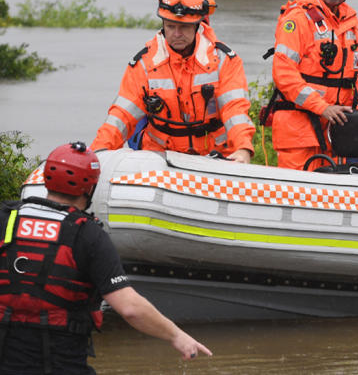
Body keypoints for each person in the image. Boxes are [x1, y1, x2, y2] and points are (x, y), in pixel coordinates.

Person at [0, 142, 211, 373]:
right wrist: (177, 336)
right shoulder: (87, 235)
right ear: (89, 188)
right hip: (59, 364)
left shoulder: (6, 219)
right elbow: (130, 307)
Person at [91, 0, 254, 162]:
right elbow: (121, 115)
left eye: (183, 27)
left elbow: (234, 109)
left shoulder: (223, 60)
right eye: (170, 26)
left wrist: (243, 148)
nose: (177, 34)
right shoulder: (144, 64)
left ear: (197, 25)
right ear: (163, 25)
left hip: (214, 158)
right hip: (160, 159)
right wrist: (98, 153)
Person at [270, 0, 358, 170]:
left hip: (337, 130)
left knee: (334, 195)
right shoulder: (297, 19)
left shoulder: (351, 21)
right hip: (299, 131)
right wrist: (322, 107)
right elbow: (284, 75)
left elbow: (356, 77)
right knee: (296, 195)